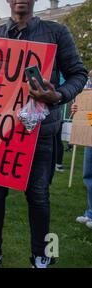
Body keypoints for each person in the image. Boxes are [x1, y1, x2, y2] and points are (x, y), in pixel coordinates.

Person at [0, 0, 88, 268]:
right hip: (0, 132)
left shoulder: (55, 32)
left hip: (40, 131)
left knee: (38, 195)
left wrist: (59, 95)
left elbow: (78, 73)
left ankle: (41, 255)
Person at [74, 70, 92, 227]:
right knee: (88, 175)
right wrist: (77, 111)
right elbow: (88, 113)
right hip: (90, 137)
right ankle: (90, 212)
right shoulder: (88, 88)